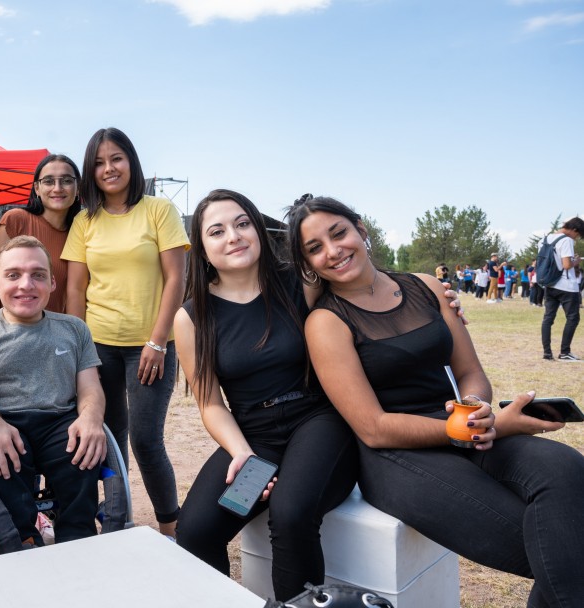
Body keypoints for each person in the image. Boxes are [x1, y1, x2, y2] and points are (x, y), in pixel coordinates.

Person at [287, 195, 584, 608]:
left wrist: (478, 407)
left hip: (464, 425)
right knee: (558, 544)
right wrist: (490, 425)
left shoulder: (425, 286)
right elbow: (373, 428)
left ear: (361, 229)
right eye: (315, 248)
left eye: (339, 233)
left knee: (567, 467)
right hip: (397, 454)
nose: (333, 251)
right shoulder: (326, 322)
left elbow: (469, 371)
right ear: (308, 263)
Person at [174, 190, 357, 601]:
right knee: (197, 531)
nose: (234, 236)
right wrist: (243, 454)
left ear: (257, 228)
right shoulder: (191, 317)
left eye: (242, 223)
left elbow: (363, 285)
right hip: (255, 441)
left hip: (319, 421)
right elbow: (210, 403)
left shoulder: (303, 282)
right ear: (201, 248)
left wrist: (430, 294)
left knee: (290, 513)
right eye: (217, 231)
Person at [62, 127, 189, 537]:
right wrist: (78, 350)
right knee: (109, 438)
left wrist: (157, 340)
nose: (108, 168)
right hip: (98, 347)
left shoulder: (157, 210)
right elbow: (76, 288)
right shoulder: (85, 220)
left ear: (131, 161)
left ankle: (170, 528)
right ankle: (118, 526)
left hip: (149, 347)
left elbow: (176, 279)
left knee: (147, 440)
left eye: (116, 158)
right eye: (98, 162)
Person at [0, 236, 107, 547]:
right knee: (0, 457)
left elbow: (90, 388)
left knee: (82, 454)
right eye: (13, 275)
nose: (26, 285)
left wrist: (91, 419)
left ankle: (79, 544)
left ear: (52, 283)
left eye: (38, 275)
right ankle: (23, 543)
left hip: (57, 421)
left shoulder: (74, 329)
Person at [0, 154, 82, 314]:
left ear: (78, 188)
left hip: (57, 332)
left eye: (66, 181)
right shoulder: (15, 220)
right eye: (49, 181)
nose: (57, 188)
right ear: (37, 188)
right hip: (10, 330)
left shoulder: (80, 233)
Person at [540, 217, 584, 361]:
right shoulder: (567, 240)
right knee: (573, 318)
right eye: (577, 235)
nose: (576, 238)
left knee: (548, 318)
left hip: (549, 283)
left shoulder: (545, 239)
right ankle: (565, 352)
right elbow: (566, 265)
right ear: (574, 230)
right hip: (566, 285)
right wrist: (576, 261)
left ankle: (547, 353)